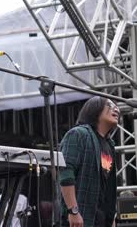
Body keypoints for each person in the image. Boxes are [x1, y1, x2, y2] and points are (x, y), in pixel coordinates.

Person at [59, 96, 119, 227]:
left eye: (116, 106)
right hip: (81, 216)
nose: (116, 109)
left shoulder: (110, 145)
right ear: (94, 109)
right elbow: (65, 172)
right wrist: (73, 211)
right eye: (110, 105)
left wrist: (111, 217)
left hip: (101, 219)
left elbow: (107, 187)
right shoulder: (78, 134)